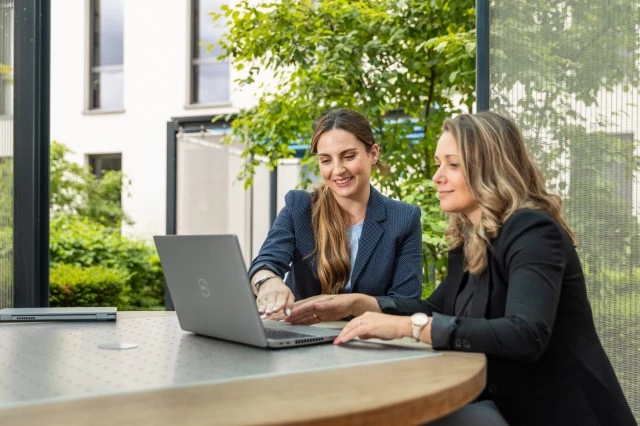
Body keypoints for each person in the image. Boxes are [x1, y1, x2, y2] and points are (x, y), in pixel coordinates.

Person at [288, 111, 635, 425]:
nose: (437, 176)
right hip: (504, 404)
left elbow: (525, 334)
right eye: (439, 164)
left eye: (453, 165)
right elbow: (438, 308)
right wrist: (360, 304)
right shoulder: (472, 237)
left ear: (490, 167)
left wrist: (409, 327)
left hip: (559, 412)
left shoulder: (532, 230)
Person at [248, 109, 423, 318]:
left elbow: (406, 303)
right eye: (326, 160)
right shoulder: (300, 207)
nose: (338, 170)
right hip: (302, 340)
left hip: (368, 342)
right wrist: (267, 281)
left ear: (373, 154)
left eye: (348, 156)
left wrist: (351, 304)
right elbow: (266, 261)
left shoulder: (403, 218)